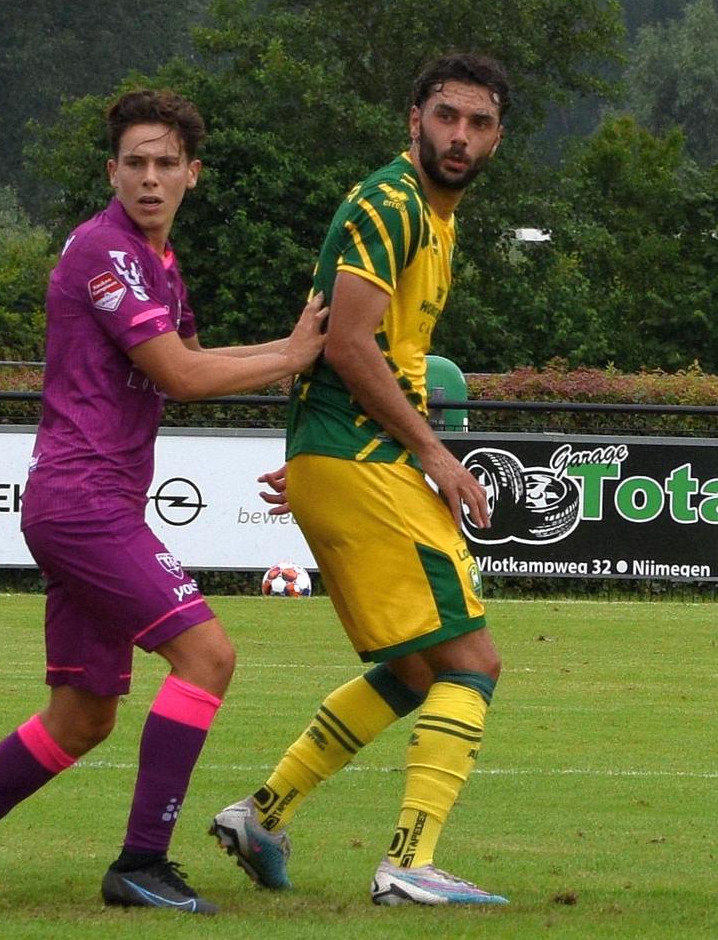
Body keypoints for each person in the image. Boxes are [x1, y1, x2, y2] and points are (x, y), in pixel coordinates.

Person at [0, 89, 327, 915]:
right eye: (136, 163)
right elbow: (185, 379)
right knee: (210, 657)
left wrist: (296, 349)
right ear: (112, 171)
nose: (151, 179)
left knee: (82, 717)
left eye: (167, 164)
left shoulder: (156, 261)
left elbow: (190, 353)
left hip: (86, 502)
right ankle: (141, 865)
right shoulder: (106, 250)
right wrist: (294, 356)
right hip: (85, 503)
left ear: (193, 175)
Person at [208, 52, 511, 907]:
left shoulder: (432, 219)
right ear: (413, 119)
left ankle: (263, 815)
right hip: (365, 460)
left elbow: (358, 355)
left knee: (419, 673)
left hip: (344, 457)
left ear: (495, 137)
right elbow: (345, 343)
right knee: (472, 662)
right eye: (446, 116)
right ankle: (409, 864)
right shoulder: (391, 201)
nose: (460, 136)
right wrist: (433, 453)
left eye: (478, 123)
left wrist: (318, 454)